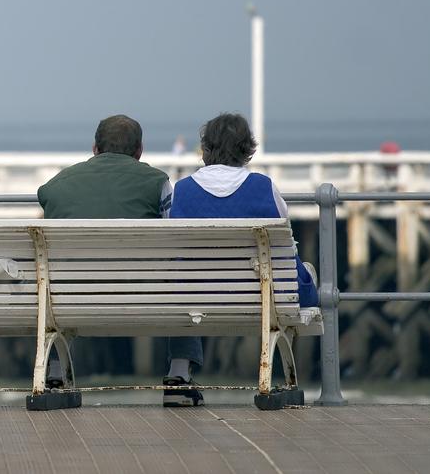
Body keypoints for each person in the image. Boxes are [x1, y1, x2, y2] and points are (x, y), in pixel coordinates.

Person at [37, 114, 205, 407]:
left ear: (95, 148)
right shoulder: (157, 182)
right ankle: (178, 377)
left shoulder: (56, 186)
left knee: (53, 281)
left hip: (71, 296)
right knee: (185, 275)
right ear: (139, 151)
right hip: (145, 295)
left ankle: (55, 374)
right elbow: (176, 239)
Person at [167, 113, 318, 307]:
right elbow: (285, 243)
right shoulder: (264, 187)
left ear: (205, 149)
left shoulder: (182, 190)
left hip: (195, 297)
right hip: (259, 298)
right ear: (246, 149)